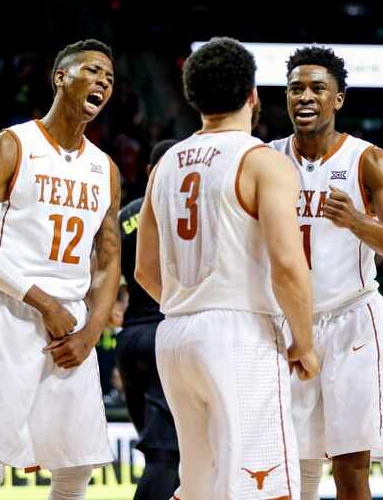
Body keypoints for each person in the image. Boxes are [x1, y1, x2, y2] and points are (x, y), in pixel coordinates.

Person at [135, 37, 319, 500]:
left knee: (200, 484)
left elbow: (144, 271)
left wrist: (193, 307)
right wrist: (305, 342)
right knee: (260, 485)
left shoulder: (165, 165)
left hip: (175, 334)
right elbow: (288, 264)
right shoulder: (262, 161)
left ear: (191, 96)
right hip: (240, 334)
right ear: (253, 95)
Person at [0, 38, 122, 500]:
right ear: (60, 77)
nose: (103, 81)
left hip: (72, 327)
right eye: (92, 70)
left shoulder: (105, 169)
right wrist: (43, 303)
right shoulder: (10, 145)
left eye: (109, 77)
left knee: (77, 464)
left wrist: (91, 331)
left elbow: (108, 262)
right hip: (11, 310)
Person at [272, 45, 383, 500]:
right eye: (296, 88)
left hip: (353, 319)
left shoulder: (368, 160)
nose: (305, 97)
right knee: (291, 465)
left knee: (351, 471)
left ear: (338, 99)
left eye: (317, 88)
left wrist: (357, 220)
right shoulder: (266, 159)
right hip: (290, 323)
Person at [115, 138, 179, 500]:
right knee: (166, 457)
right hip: (166, 333)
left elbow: (105, 278)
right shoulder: (186, 211)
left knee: (166, 454)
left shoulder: (125, 215)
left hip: (130, 338)